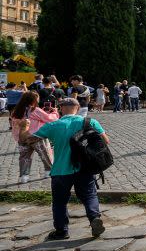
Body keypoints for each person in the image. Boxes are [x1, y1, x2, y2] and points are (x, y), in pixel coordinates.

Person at [16, 97, 107, 240]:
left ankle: (61, 231)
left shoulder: (53, 125)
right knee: (89, 195)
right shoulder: (90, 122)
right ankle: (94, 218)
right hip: (84, 168)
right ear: (77, 108)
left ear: (61, 108)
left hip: (61, 170)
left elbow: (25, 140)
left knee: (59, 201)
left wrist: (24, 127)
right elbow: (105, 141)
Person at [9, 90, 56, 184]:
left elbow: (14, 125)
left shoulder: (16, 111)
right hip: (37, 136)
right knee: (45, 154)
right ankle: (48, 171)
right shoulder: (35, 110)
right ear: (34, 100)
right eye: (37, 98)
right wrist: (54, 112)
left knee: (24, 157)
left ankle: (24, 176)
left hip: (22, 137)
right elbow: (50, 119)